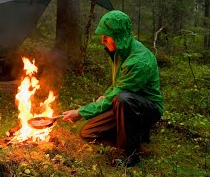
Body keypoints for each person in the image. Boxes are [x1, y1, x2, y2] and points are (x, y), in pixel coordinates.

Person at [62, 10, 163, 167]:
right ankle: (136, 132)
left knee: (122, 99)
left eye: (106, 37)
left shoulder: (138, 61)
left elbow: (120, 92)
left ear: (119, 35)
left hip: (147, 109)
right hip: (125, 106)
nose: (103, 41)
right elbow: (118, 85)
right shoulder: (121, 51)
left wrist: (81, 112)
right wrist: (106, 95)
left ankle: (130, 154)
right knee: (87, 132)